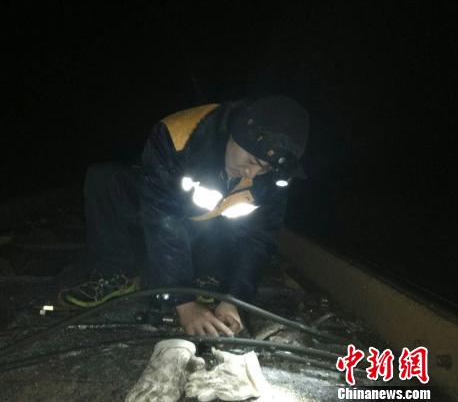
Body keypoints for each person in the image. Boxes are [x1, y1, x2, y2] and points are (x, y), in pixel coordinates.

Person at [61, 95, 309, 337]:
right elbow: (162, 217)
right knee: (104, 178)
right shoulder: (178, 135)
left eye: (265, 168)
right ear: (238, 132)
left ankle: (206, 278)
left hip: (208, 233)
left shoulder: (273, 178)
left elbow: (260, 237)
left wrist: (233, 299)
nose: (252, 174)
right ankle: (115, 274)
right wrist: (184, 303)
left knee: (214, 268)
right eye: (252, 160)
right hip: (163, 214)